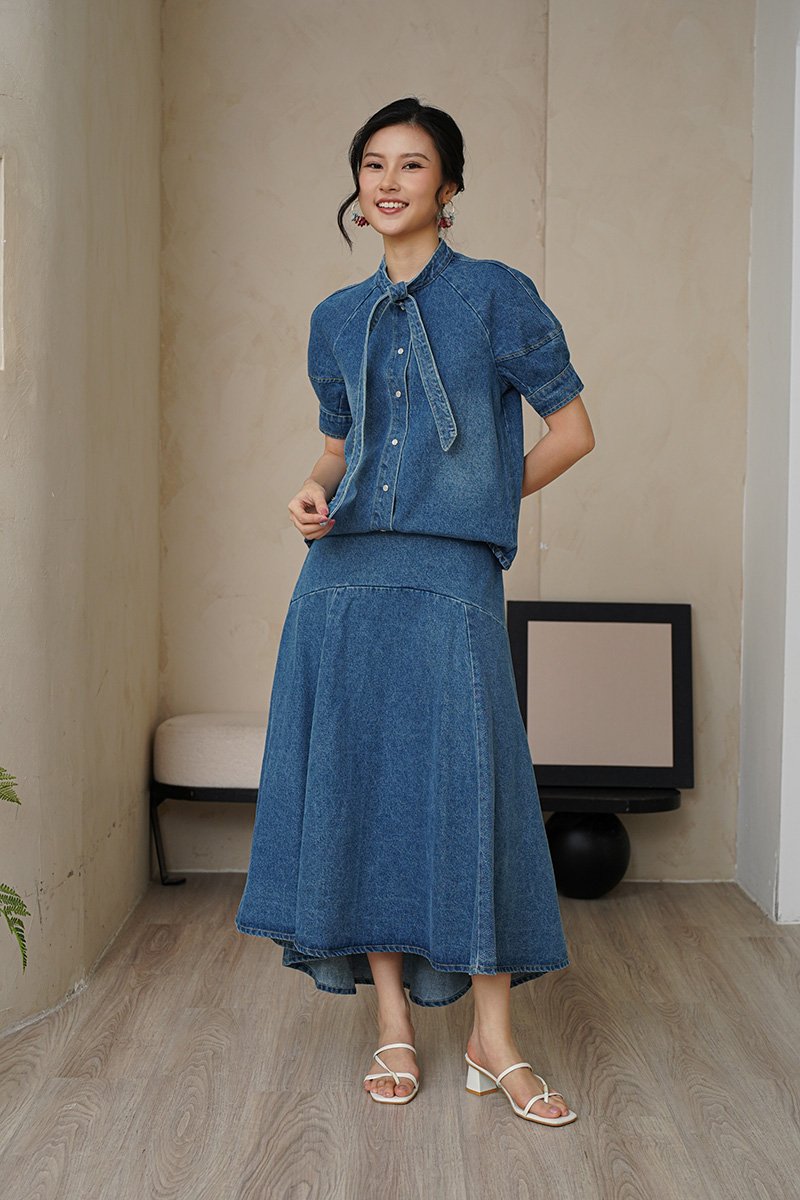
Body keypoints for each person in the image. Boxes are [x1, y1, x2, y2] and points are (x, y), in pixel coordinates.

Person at [235, 96, 595, 1126]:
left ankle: (493, 1037)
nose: (388, 181)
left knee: (471, 786)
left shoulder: (495, 295)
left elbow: (571, 430)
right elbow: (335, 448)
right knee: (361, 786)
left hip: (450, 582)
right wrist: (312, 492)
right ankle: (390, 1020)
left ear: (449, 187)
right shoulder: (335, 316)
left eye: (412, 164)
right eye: (373, 164)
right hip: (341, 582)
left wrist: (475, 502)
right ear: (357, 187)